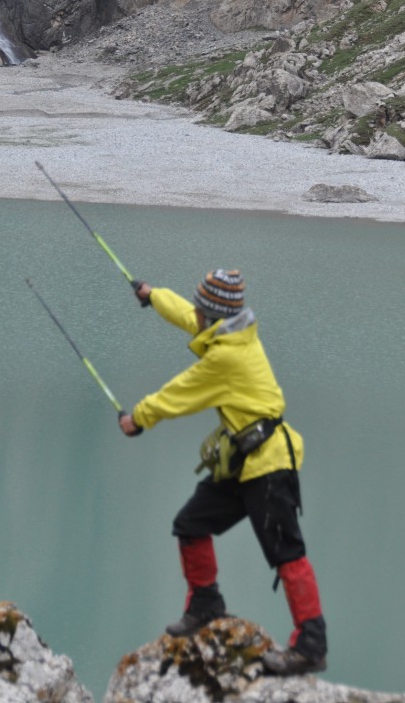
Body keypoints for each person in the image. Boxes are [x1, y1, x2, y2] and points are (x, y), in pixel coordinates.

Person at [119, 268, 327, 676]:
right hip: (243, 458)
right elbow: (187, 315)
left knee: (288, 554)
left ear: (213, 315)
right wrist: (154, 295)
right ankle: (205, 605)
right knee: (190, 524)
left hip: (268, 465)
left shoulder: (226, 358)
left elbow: (180, 391)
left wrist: (139, 419)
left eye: (200, 309)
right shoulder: (230, 332)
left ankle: (311, 646)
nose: (194, 313)